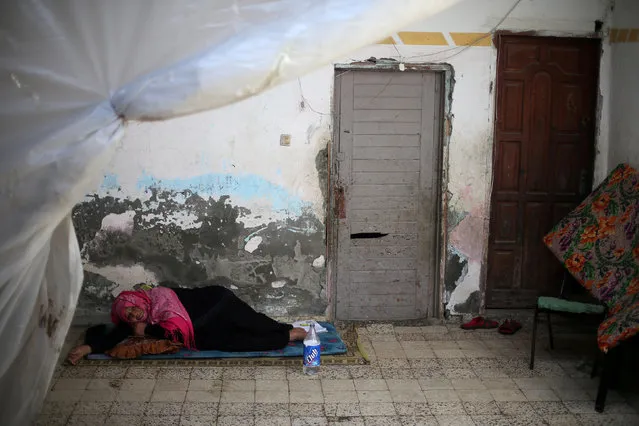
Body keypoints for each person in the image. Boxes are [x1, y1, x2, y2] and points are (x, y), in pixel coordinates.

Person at [66, 283, 307, 364]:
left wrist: (148, 330)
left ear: (136, 299)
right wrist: (87, 348)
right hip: (200, 330)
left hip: (215, 304)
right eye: (126, 314)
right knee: (236, 343)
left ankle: (286, 329)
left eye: (131, 307)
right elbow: (112, 334)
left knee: (253, 323)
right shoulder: (133, 323)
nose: (131, 314)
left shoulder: (158, 296)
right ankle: (288, 336)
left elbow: (175, 327)